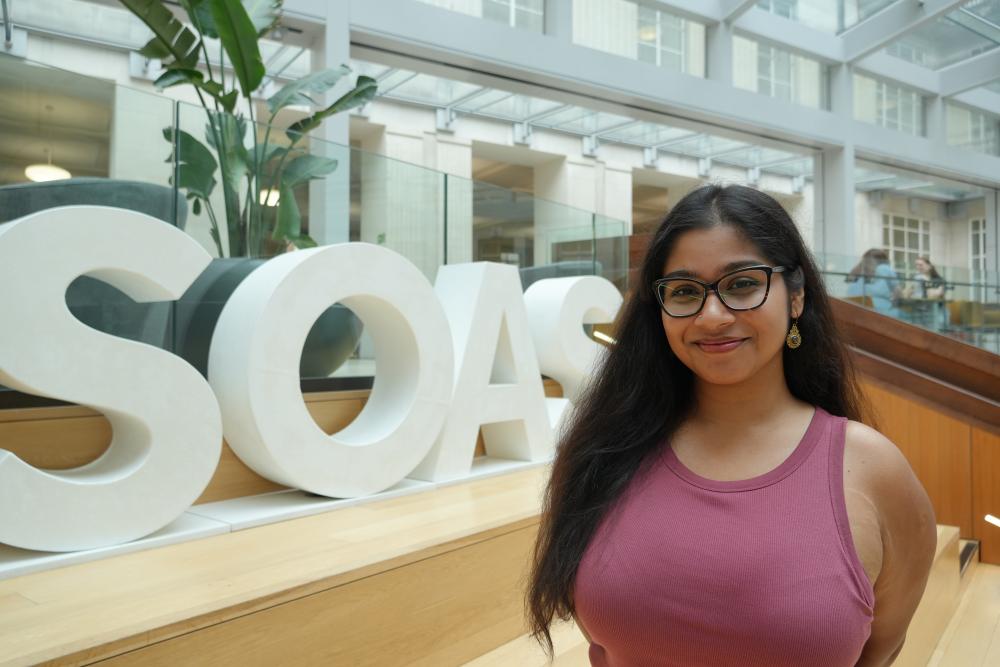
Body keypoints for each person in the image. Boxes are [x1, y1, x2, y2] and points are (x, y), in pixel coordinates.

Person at [526, 184, 936, 667]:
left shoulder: (872, 470)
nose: (713, 315)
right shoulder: (604, 453)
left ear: (797, 296)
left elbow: (881, 650)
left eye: (742, 283)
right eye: (683, 291)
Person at [846, 249, 902, 318]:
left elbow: (897, 291)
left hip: (859, 313)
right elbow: (897, 292)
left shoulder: (858, 271)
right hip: (877, 314)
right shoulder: (884, 269)